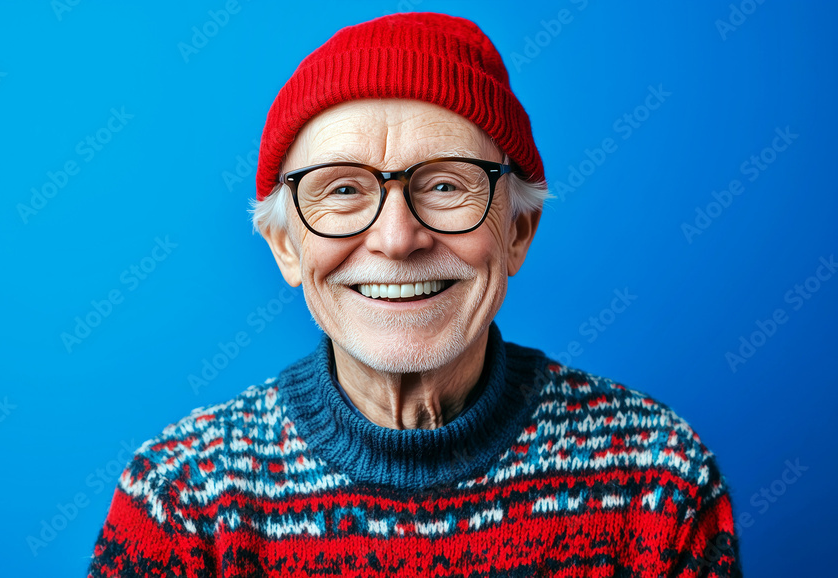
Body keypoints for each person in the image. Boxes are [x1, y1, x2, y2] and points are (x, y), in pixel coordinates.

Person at [88, 12, 740, 577]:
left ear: (517, 231)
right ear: (286, 247)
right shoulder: (184, 495)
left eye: (446, 186)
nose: (397, 239)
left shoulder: (657, 477)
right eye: (343, 190)